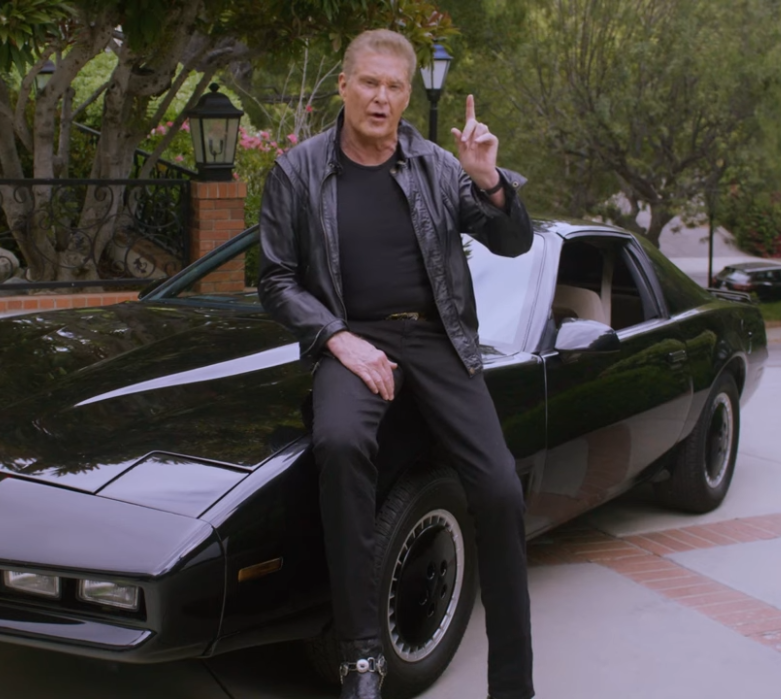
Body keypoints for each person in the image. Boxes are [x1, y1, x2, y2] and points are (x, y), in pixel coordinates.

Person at [257, 29, 535, 699]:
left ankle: (514, 682)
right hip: (353, 337)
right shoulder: (298, 170)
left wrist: (489, 180)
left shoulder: (439, 164)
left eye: (394, 87)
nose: (382, 98)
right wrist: (335, 338)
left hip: (437, 339)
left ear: (407, 95)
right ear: (345, 87)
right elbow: (275, 278)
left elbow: (512, 240)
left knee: (499, 487)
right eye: (370, 83)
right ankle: (359, 657)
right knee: (342, 442)